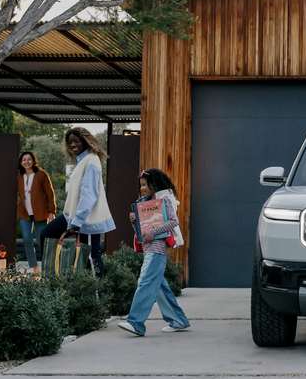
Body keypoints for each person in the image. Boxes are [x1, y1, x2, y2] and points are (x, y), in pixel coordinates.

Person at [116, 168, 190, 336]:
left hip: (157, 250)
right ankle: (178, 320)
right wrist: (134, 221)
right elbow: (142, 232)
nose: (142, 188)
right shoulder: (144, 201)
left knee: (145, 283)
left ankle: (136, 323)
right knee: (159, 288)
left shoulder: (164, 199)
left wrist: (154, 232)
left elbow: (173, 221)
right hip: (149, 248)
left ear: (155, 184)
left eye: (145, 185)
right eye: (141, 185)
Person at [41, 127, 115, 276]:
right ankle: (87, 284)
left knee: (91, 255)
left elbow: (89, 194)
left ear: (85, 141)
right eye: (69, 143)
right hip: (79, 216)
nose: (72, 145)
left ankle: (95, 289)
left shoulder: (91, 161)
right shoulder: (84, 161)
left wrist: (76, 222)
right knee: (92, 254)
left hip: (82, 218)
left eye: (76, 141)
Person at [16, 151, 57, 274]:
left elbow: (50, 193)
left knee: (41, 240)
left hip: (40, 212)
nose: (26, 162)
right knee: (27, 238)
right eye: (24, 160)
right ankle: (34, 267)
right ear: (21, 162)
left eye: (29, 159)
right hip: (24, 213)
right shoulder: (19, 176)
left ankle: (47, 266)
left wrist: (52, 211)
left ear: (33, 161)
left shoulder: (41, 174)